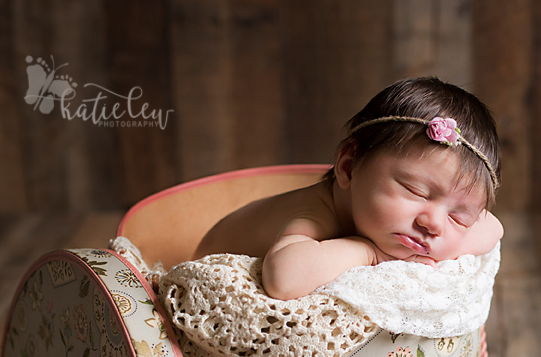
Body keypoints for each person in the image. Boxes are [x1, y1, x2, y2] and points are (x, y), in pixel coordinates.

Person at [192, 76, 504, 301]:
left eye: (458, 218)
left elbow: (493, 228)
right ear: (348, 166)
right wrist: (370, 252)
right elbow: (283, 279)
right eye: (416, 191)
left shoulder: (397, 218)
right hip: (205, 277)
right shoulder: (317, 212)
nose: (433, 223)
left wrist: (449, 240)